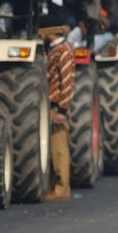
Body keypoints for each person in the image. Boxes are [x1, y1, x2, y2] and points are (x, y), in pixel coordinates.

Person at [41, 20, 75, 202]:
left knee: (59, 148)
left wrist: (63, 109)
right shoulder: (54, 50)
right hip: (51, 104)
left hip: (57, 105)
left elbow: (67, 82)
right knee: (52, 149)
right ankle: (53, 187)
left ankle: (62, 189)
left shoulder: (63, 51)